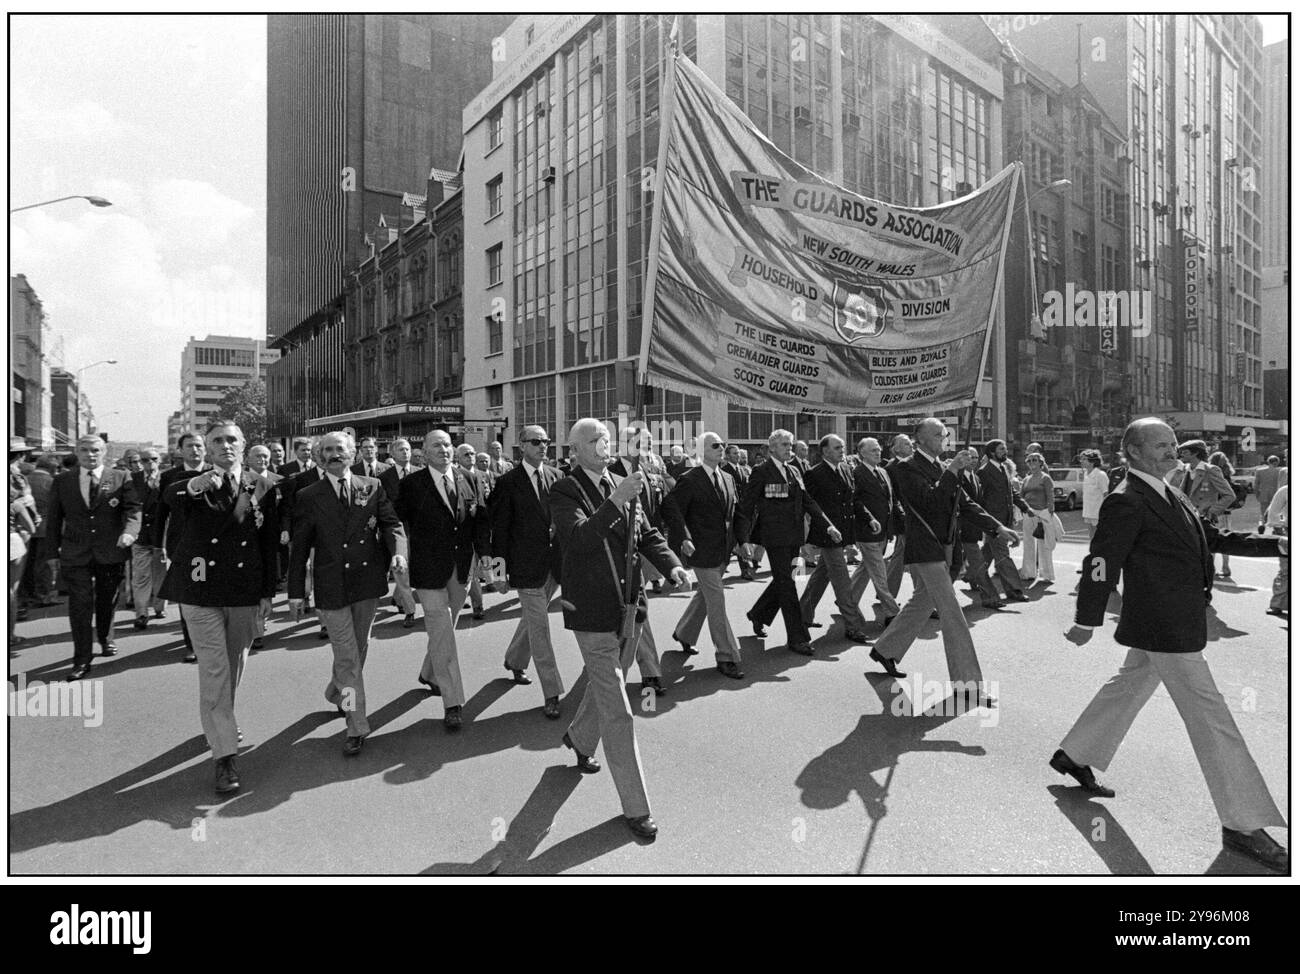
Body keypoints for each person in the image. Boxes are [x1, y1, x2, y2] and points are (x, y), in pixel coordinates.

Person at [1054, 418, 1288, 873]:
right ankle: (1242, 823)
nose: (1171, 451)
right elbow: (1101, 562)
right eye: (1160, 445)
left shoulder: (1170, 490)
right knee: (1212, 716)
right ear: (1133, 452)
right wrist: (1087, 620)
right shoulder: (1126, 500)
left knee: (1130, 685)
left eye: (1173, 444)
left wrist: (1275, 543)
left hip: (1169, 621)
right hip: (1164, 626)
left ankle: (1075, 754)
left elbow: (1211, 539)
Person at [549, 417, 688, 841]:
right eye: (594, 440)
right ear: (575, 450)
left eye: (607, 438)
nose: (604, 445)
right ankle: (636, 807)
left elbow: (646, 535)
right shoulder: (565, 489)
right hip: (590, 609)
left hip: (629, 607)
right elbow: (578, 539)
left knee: (605, 684)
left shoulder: (621, 480)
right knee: (618, 708)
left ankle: (578, 737)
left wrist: (672, 565)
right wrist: (616, 500)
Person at [159, 422, 279, 794]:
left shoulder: (264, 485)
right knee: (214, 669)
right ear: (207, 450)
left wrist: (267, 591)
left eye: (232, 440)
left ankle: (220, 718)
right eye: (217, 441)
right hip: (200, 591)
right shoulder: (194, 485)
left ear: (243, 446)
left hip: (243, 591)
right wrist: (196, 485)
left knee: (233, 665)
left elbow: (268, 543)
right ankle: (225, 757)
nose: (225, 446)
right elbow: (172, 497)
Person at [866, 419, 1018, 701]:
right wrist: (952, 470)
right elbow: (930, 501)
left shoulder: (941, 466)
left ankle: (885, 649)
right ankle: (968, 685)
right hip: (926, 548)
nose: (944, 439)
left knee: (923, 601)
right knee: (952, 612)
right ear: (920, 440)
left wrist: (997, 527)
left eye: (945, 434)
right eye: (938, 435)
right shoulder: (905, 468)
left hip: (948, 546)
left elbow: (964, 504)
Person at [288, 430, 408, 755]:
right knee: (347, 656)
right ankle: (356, 723)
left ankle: (336, 690)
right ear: (319, 457)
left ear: (353, 453)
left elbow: (391, 525)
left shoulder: (373, 486)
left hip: (367, 584)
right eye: (326, 450)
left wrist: (398, 552)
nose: (333, 454)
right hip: (332, 587)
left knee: (359, 648)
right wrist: (296, 592)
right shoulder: (308, 495)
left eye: (340, 448)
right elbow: (299, 549)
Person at [397, 430, 485, 731]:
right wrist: (399, 565)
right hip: (428, 570)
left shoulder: (469, 477)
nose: (444, 450)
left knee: (445, 631)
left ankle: (429, 672)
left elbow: (481, 522)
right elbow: (396, 525)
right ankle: (453, 701)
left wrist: (490, 564)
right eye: (436, 445)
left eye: (447, 445)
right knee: (441, 628)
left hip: (461, 569)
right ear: (424, 451)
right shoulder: (411, 485)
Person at [45, 434, 142, 679]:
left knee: (107, 600)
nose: (90, 454)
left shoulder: (120, 477)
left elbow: (133, 509)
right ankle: (81, 659)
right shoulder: (63, 481)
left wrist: (130, 533)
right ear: (77, 452)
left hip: (110, 550)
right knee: (79, 606)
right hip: (75, 553)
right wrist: (51, 553)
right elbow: (54, 519)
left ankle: (106, 637)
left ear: (105, 452)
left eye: (96, 450)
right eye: (85, 450)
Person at [739, 428, 838, 656]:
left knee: (789, 578)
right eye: (785, 445)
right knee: (788, 585)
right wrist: (743, 539)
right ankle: (797, 637)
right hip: (774, 538)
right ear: (772, 447)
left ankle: (759, 613)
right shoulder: (761, 472)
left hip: (794, 537)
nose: (789, 449)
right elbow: (746, 506)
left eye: (790, 445)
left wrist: (828, 525)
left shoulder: (794, 471)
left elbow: (808, 502)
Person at [489, 425, 566, 716]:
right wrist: (498, 573)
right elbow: (500, 531)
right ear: (522, 446)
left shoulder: (558, 477)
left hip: (554, 565)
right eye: (536, 442)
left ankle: (515, 660)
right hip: (525, 566)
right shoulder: (508, 482)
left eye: (546, 441)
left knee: (534, 621)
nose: (543, 446)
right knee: (540, 627)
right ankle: (552, 692)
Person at [660, 431, 748, 678]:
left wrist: (743, 541)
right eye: (715, 445)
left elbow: (736, 513)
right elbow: (671, 507)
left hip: (723, 550)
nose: (721, 448)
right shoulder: (690, 479)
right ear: (701, 451)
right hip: (701, 551)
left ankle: (684, 632)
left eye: (723, 445)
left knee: (706, 596)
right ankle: (727, 655)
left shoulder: (729, 478)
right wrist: (684, 537)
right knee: (717, 600)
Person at [798, 434, 871, 642]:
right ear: (825, 451)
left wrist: (868, 518)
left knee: (821, 576)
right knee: (842, 581)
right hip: (827, 534)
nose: (842, 450)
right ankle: (853, 626)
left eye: (843, 447)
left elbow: (853, 500)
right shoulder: (814, 474)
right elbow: (809, 505)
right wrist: (811, 537)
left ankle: (803, 615)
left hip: (843, 532)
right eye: (837, 447)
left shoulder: (847, 469)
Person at [155, 432, 211, 662]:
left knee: (209, 592)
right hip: (182, 545)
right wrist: (158, 545)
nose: (195, 450)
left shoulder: (216, 471)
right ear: (180, 450)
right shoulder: (169, 476)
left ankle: (209, 640)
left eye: (199, 446)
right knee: (189, 594)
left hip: (213, 545)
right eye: (189, 446)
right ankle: (192, 644)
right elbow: (161, 513)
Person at [849, 437, 901, 627]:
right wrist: (869, 518)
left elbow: (891, 501)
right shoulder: (857, 473)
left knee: (866, 568)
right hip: (867, 531)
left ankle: (848, 600)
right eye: (873, 450)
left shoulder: (883, 472)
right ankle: (892, 612)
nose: (878, 453)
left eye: (879, 449)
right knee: (879, 573)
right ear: (862, 453)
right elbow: (855, 501)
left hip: (883, 531)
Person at [1169, 439, 1237, 579]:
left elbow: (1229, 495)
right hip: (1187, 520)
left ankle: (1205, 592)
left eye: (1185, 452)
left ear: (1195, 453)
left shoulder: (1210, 470)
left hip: (1203, 520)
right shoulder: (1185, 471)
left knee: (1205, 557)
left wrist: (1212, 511)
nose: (1181, 455)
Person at [974, 439, 1029, 603]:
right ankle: (1014, 590)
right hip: (994, 521)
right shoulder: (984, 471)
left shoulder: (1004, 468)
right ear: (992, 453)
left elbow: (1010, 491)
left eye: (1005, 448)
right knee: (1003, 554)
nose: (1005, 452)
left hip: (1006, 519)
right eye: (1001, 449)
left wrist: (1025, 508)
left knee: (989, 551)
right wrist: (985, 521)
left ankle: (971, 576)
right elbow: (979, 498)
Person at [951, 447, 1006, 610]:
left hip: (972, 531)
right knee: (961, 565)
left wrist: (990, 528)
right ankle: (937, 600)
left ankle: (988, 597)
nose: (973, 460)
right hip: (959, 530)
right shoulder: (956, 477)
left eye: (975, 457)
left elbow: (978, 506)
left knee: (966, 565)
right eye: (968, 457)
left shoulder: (975, 477)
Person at [245, 444, 284, 648]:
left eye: (265, 456)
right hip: (241, 543)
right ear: (248, 458)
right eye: (257, 456)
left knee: (263, 584)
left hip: (266, 540)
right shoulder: (239, 481)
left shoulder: (275, 482)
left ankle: (258, 630)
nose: (262, 460)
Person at [378, 437, 420, 627]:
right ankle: (410, 610)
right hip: (396, 528)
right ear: (392, 454)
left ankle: (398, 597)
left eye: (408, 449)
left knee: (414, 565)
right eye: (401, 450)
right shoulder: (384, 479)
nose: (406, 453)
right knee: (401, 567)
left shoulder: (421, 474)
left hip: (418, 528)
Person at [128, 449, 167, 629]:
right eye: (145, 460)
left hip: (162, 536)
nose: (149, 462)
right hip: (141, 535)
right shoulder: (133, 479)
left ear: (159, 460)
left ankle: (159, 606)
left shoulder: (167, 478)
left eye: (153, 459)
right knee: (141, 576)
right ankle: (141, 613)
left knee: (161, 575)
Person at [9, 438, 39, 645]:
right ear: (20, 456)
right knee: (11, 589)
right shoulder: (18, 479)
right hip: (16, 535)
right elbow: (30, 513)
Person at [455, 442, 488, 619]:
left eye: (472, 453)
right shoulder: (455, 475)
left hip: (481, 527)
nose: (470, 457)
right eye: (466, 454)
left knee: (479, 566)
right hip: (464, 531)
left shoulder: (483, 475)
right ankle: (472, 602)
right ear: (458, 458)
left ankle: (480, 600)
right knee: (469, 570)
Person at [1018, 453, 1060, 584]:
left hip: (1042, 513)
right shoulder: (1026, 479)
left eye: (1034, 460)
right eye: (1029, 460)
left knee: (1044, 545)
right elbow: (1020, 496)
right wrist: (1022, 510)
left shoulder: (1045, 478)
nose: (1031, 462)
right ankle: (1028, 573)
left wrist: (1049, 512)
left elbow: (1050, 496)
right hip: (1028, 513)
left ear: (1041, 463)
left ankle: (1046, 574)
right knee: (1028, 543)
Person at [883, 433, 914, 599]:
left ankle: (887, 593)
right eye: (906, 443)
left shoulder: (913, 464)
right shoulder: (891, 468)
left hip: (915, 516)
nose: (910, 446)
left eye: (910, 443)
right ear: (896, 449)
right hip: (904, 517)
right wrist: (901, 517)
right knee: (914, 557)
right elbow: (892, 496)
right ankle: (923, 599)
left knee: (900, 556)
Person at [721, 444, 757, 579]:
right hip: (731, 511)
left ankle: (746, 568)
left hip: (744, 511)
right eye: (734, 453)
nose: (738, 456)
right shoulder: (724, 470)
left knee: (744, 538)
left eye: (738, 453)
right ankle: (721, 566)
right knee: (729, 542)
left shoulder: (744, 470)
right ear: (728, 455)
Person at [1208, 450, 1237, 579]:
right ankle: (1226, 567)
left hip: (1216, 511)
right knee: (1226, 539)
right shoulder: (1228, 474)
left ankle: (1211, 567)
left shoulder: (1212, 473)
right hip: (1228, 512)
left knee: (1212, 538)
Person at [1265, 484, 1288, 619]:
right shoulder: (1285, 490)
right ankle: (1276, 604)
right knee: (1286, 570)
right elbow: (1274, 514)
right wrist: (1281, 529)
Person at [1079, 449, 1109, 540]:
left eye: (1084, 459)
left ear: (1092, 462)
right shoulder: (1085, 474)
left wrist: (1106, 512)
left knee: (1099, 536)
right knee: (1091, 536)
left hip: (1098, 512)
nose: (1081, 461)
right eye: (1081, 459)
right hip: (1088, 510)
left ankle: (1099, 553)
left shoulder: (1100, 475)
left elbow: (1106, 494)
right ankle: (1093, 553)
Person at [1254, 456, 1283, 532]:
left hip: (1264, 494)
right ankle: (1276, 528)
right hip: (1276, 495)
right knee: (1276, 512)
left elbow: (1256, 485)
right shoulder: (1280, 471)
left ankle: (1262, 524)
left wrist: (1257, 494)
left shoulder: (1259, 471)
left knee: (1263, 513)